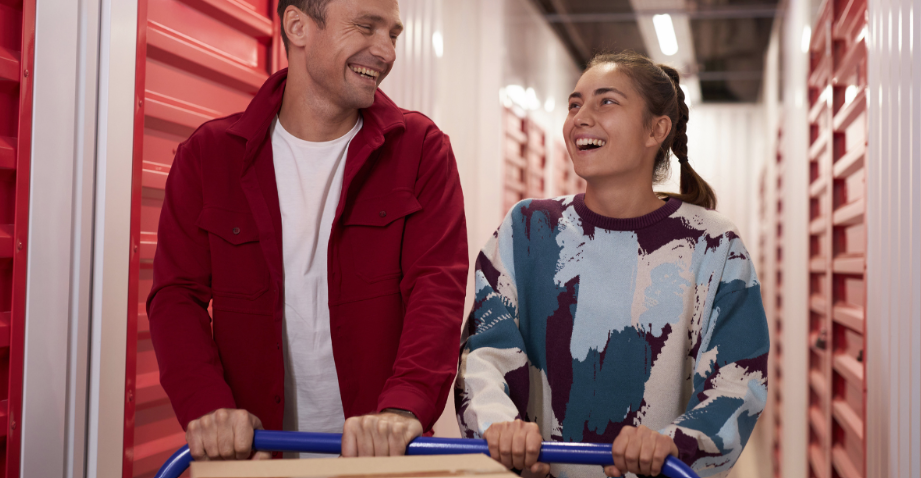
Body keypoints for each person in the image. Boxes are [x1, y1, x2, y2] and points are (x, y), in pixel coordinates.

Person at [147, 0, 467, 462]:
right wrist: (209, 408)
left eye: (392, 34)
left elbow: (436, 290)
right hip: (254, 457)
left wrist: (402, 409)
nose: (386, 51)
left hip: (382, 459)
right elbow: (176, 296)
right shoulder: (208, 156)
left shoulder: (419, 150)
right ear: (298, 26)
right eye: (365, 27)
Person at [455, 51, 769, 478]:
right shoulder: (527, 229)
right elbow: (483, 352)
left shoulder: (714, 245)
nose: (580, 117)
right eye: (574, 104)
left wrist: (672, 445)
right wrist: (499, 428)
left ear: (656, 129)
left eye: (606, 101)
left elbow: (738, 383)